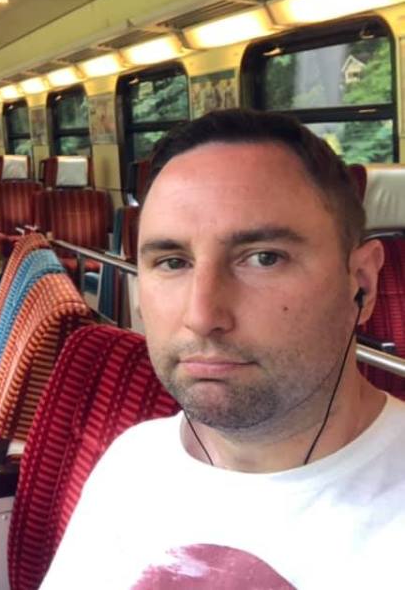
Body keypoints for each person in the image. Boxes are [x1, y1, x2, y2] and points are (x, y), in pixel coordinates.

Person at [41, 109, 405, 589]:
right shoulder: (132, 461)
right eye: (173, 262)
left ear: (361, 284)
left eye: (263, 258)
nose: (202, 315)